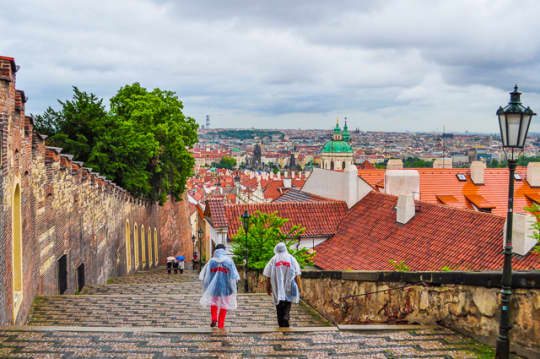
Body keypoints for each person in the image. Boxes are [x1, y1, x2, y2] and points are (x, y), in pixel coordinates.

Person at [199, 244, 240, 329]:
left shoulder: (211, 261)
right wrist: (235, 287)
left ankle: (214, 318)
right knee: (224, 304)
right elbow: (234, 275)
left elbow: (206, 275)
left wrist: (207, 287)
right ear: (224, 250)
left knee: (214, 302)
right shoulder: (229, 261)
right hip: (226, 286)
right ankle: (221, 324)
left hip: (213, 287)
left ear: (215, 250)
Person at [263, 242, 303, 328]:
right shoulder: (291, 259)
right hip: (289, 285)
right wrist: (300, 288)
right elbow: (297, 274)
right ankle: (286, 316)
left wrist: (268, 288)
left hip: (277, 287)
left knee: (279, 304)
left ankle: (281, 322)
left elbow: (268, 275)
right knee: (288, 302)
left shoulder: (273, 260)